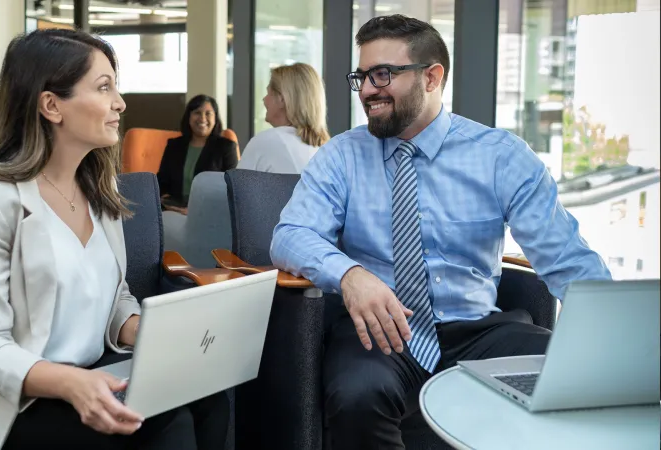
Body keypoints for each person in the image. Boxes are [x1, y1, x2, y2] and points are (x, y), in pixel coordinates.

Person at [269, 14, 611, 450]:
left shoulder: (500, 156)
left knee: (579, 378)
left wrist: (614, 338)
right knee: (357, 392)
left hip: (481, 329)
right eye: (363, 77)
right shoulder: (342, 156)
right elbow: (290, 234)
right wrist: (350, 275)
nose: (369, 90)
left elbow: (565, 257)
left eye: (383, 74)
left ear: (432, 77)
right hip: (384, 331)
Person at [0, 29, 228, 450]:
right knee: (166, 426)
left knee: (208, 395)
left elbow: (114, 298)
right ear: (51, 105)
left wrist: (144, 331)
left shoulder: (100, 191)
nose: (121, 103)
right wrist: (72, 383)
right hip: (13, 402)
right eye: (104, 87)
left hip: (91, 373)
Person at [237, 63, 329, 174]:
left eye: (268, 93)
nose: (264, 100)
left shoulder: (265, 142)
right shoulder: (328, 152)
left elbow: (236, 190)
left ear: (281, 99)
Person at [157, 95, 238, 214]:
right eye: (197, 113)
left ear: (215, 118)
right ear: (189, 117)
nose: (202, 118)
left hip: (210, 212)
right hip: (174, 210)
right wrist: (166, 200)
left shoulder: (226, 147)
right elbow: (161, 181)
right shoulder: (174, 145)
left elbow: (232, 188)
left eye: (208, 113)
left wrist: (195, 211)